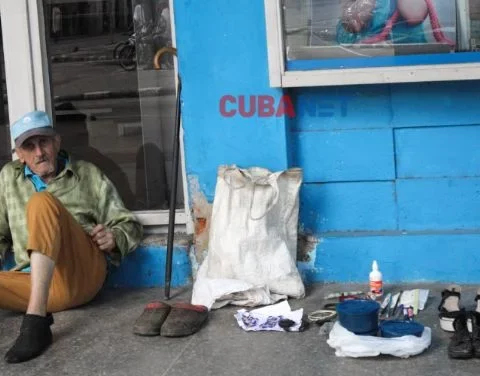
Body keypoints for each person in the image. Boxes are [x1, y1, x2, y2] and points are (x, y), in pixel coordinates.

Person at [0, 110, 143, 363]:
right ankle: (39, 308)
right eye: (29, 146)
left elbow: (128, 223)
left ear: (56, 142)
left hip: (81, 276)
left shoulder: (88, 174)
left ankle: (36, 322)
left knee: (41, 202)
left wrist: (114, 237)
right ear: (19, 154)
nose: (39, 153)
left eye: (43, 142)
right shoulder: (8, 178)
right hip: (35, 284)